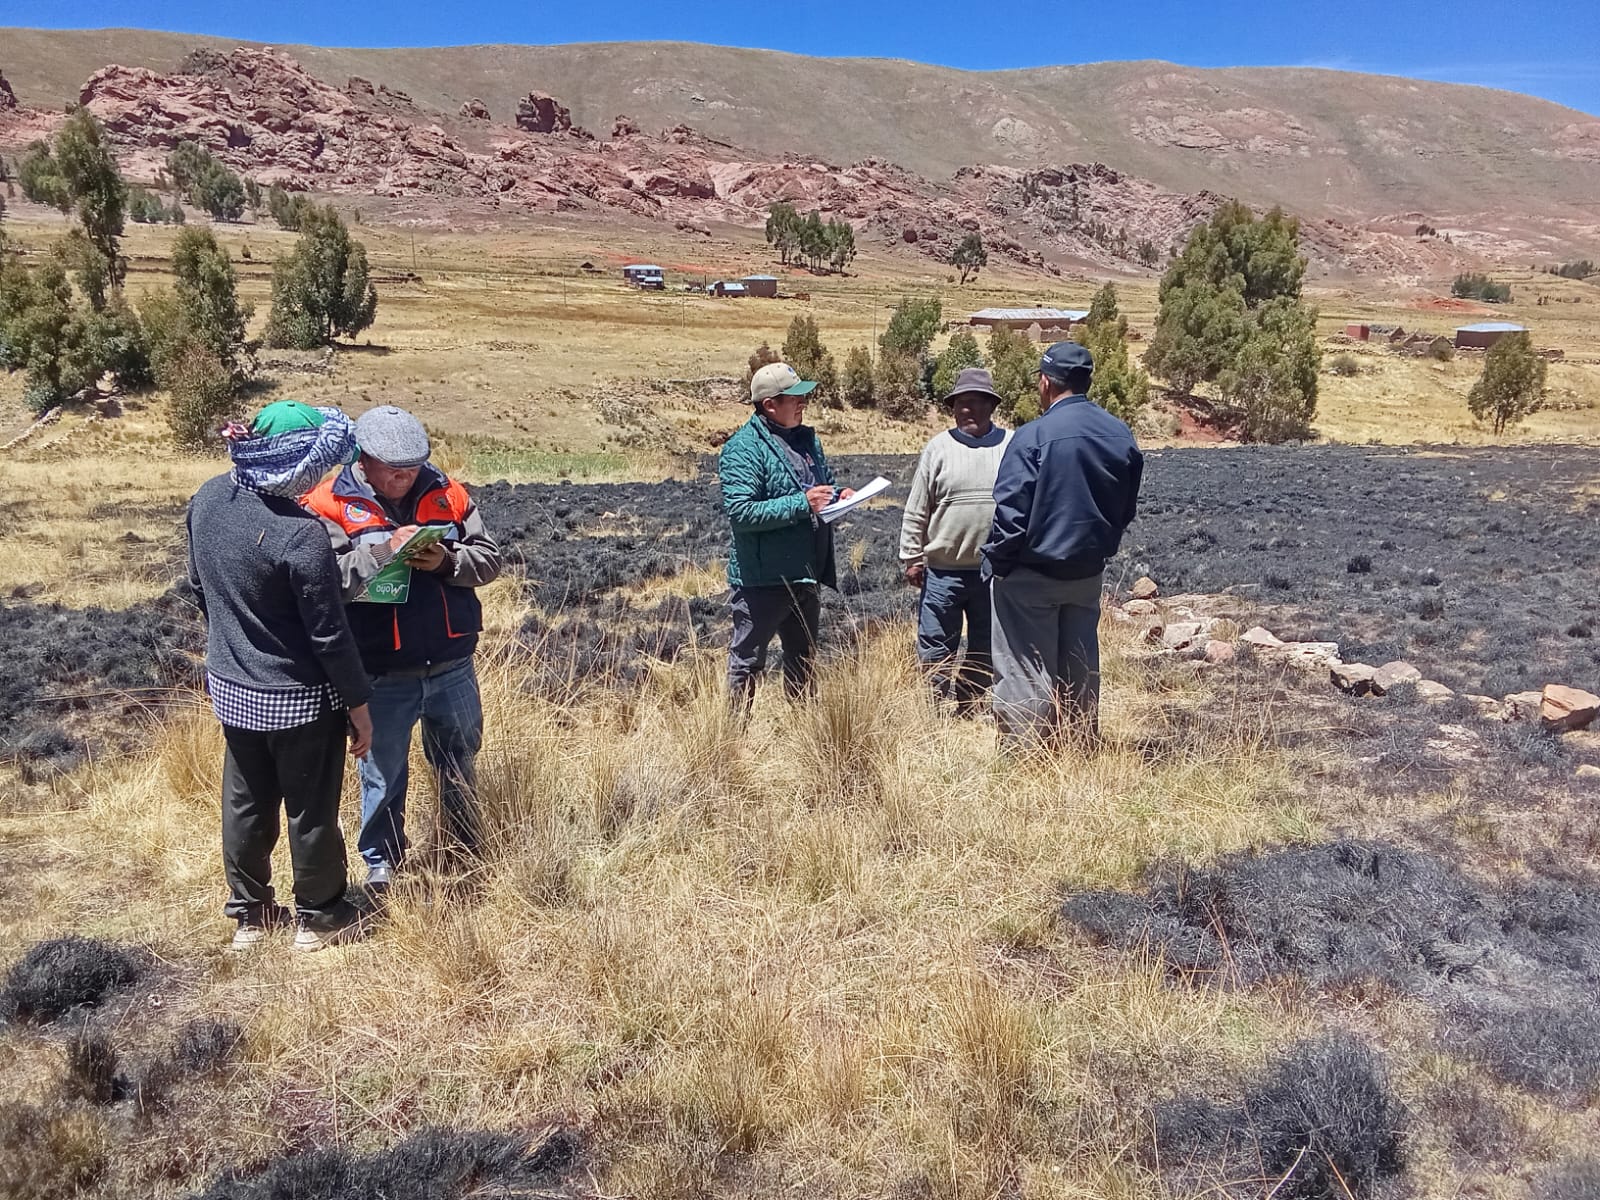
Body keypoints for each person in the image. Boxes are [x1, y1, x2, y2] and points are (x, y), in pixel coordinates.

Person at [185, 401, 373, 952]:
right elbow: (329, 636)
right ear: (299, 467)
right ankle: (320, 916)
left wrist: (236, 642)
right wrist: (359, 706)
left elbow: (197, 586)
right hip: (299, 702)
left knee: (246, 803)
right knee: (311, 810)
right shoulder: (300, 533)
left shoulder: (208, 498)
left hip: (231, 688)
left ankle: (250, 915)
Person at [301, 405, 503, 890]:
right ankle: (383, 866)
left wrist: (447, 562)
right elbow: (325, 581)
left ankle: (461, 849)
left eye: (412, 467)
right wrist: (385, 551)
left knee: (459, 760)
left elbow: (490, 559)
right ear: (363, 459)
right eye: (393, 468)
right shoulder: (328, 503)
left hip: (451, 664)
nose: (404, 476)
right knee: (382, 774)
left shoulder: (449, 493)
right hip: (380, 672)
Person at [982, 342, 1143, 748]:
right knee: (1080, 666)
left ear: (1045, 382)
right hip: (1087, 574)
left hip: (1030, 576)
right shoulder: (1119, 433)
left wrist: (998, 563)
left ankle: (1026, 758)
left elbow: (1011, 516)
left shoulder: (1033, 436)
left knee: (1024, 670)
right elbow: (1126, 508)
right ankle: (1079, 746)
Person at [720, 362, 854, 709]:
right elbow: (741, 513)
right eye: (794, 397)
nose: (802, 402)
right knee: (748, 663)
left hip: (805, 574)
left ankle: (802, 730)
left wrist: (838, 495)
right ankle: (732, 734)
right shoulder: (743, 448)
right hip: (761, 581)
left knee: (803, 660)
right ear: (769, 405)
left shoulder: (807, 441)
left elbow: (820, 488)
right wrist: (802, 503)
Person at [899, 367, 1012, 714]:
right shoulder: (938, 449)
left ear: (992, 406)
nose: (969, 409)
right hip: (942, 573)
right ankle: (934, 710)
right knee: (936, 645)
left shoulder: (1010, 446)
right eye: (962, 403)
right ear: (952, 409)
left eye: (978, 402)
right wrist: (912, 557)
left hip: (992, 573)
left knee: (986, 647)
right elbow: (917, 509)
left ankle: (970, 705)